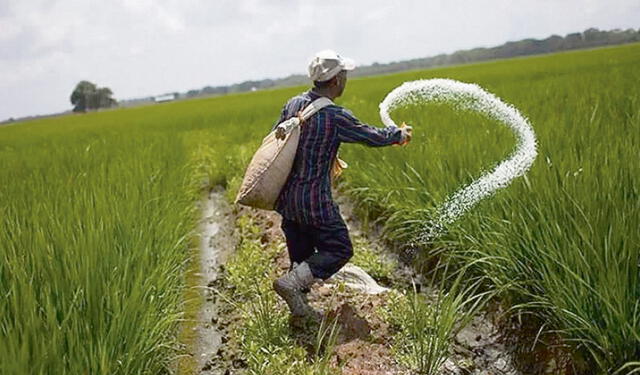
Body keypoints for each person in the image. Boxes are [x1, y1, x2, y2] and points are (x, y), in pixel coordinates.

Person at [271, 50, 412, 320]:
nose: (346, 79)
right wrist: (398, 134)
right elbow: (369, 136)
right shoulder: (334, 116)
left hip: (288, 200)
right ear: (336, 81)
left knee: (301, 256)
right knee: (339, 248)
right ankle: (290, 285)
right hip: (315, 201)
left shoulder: (293, 104)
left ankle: (299, 312)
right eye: (344, 75)